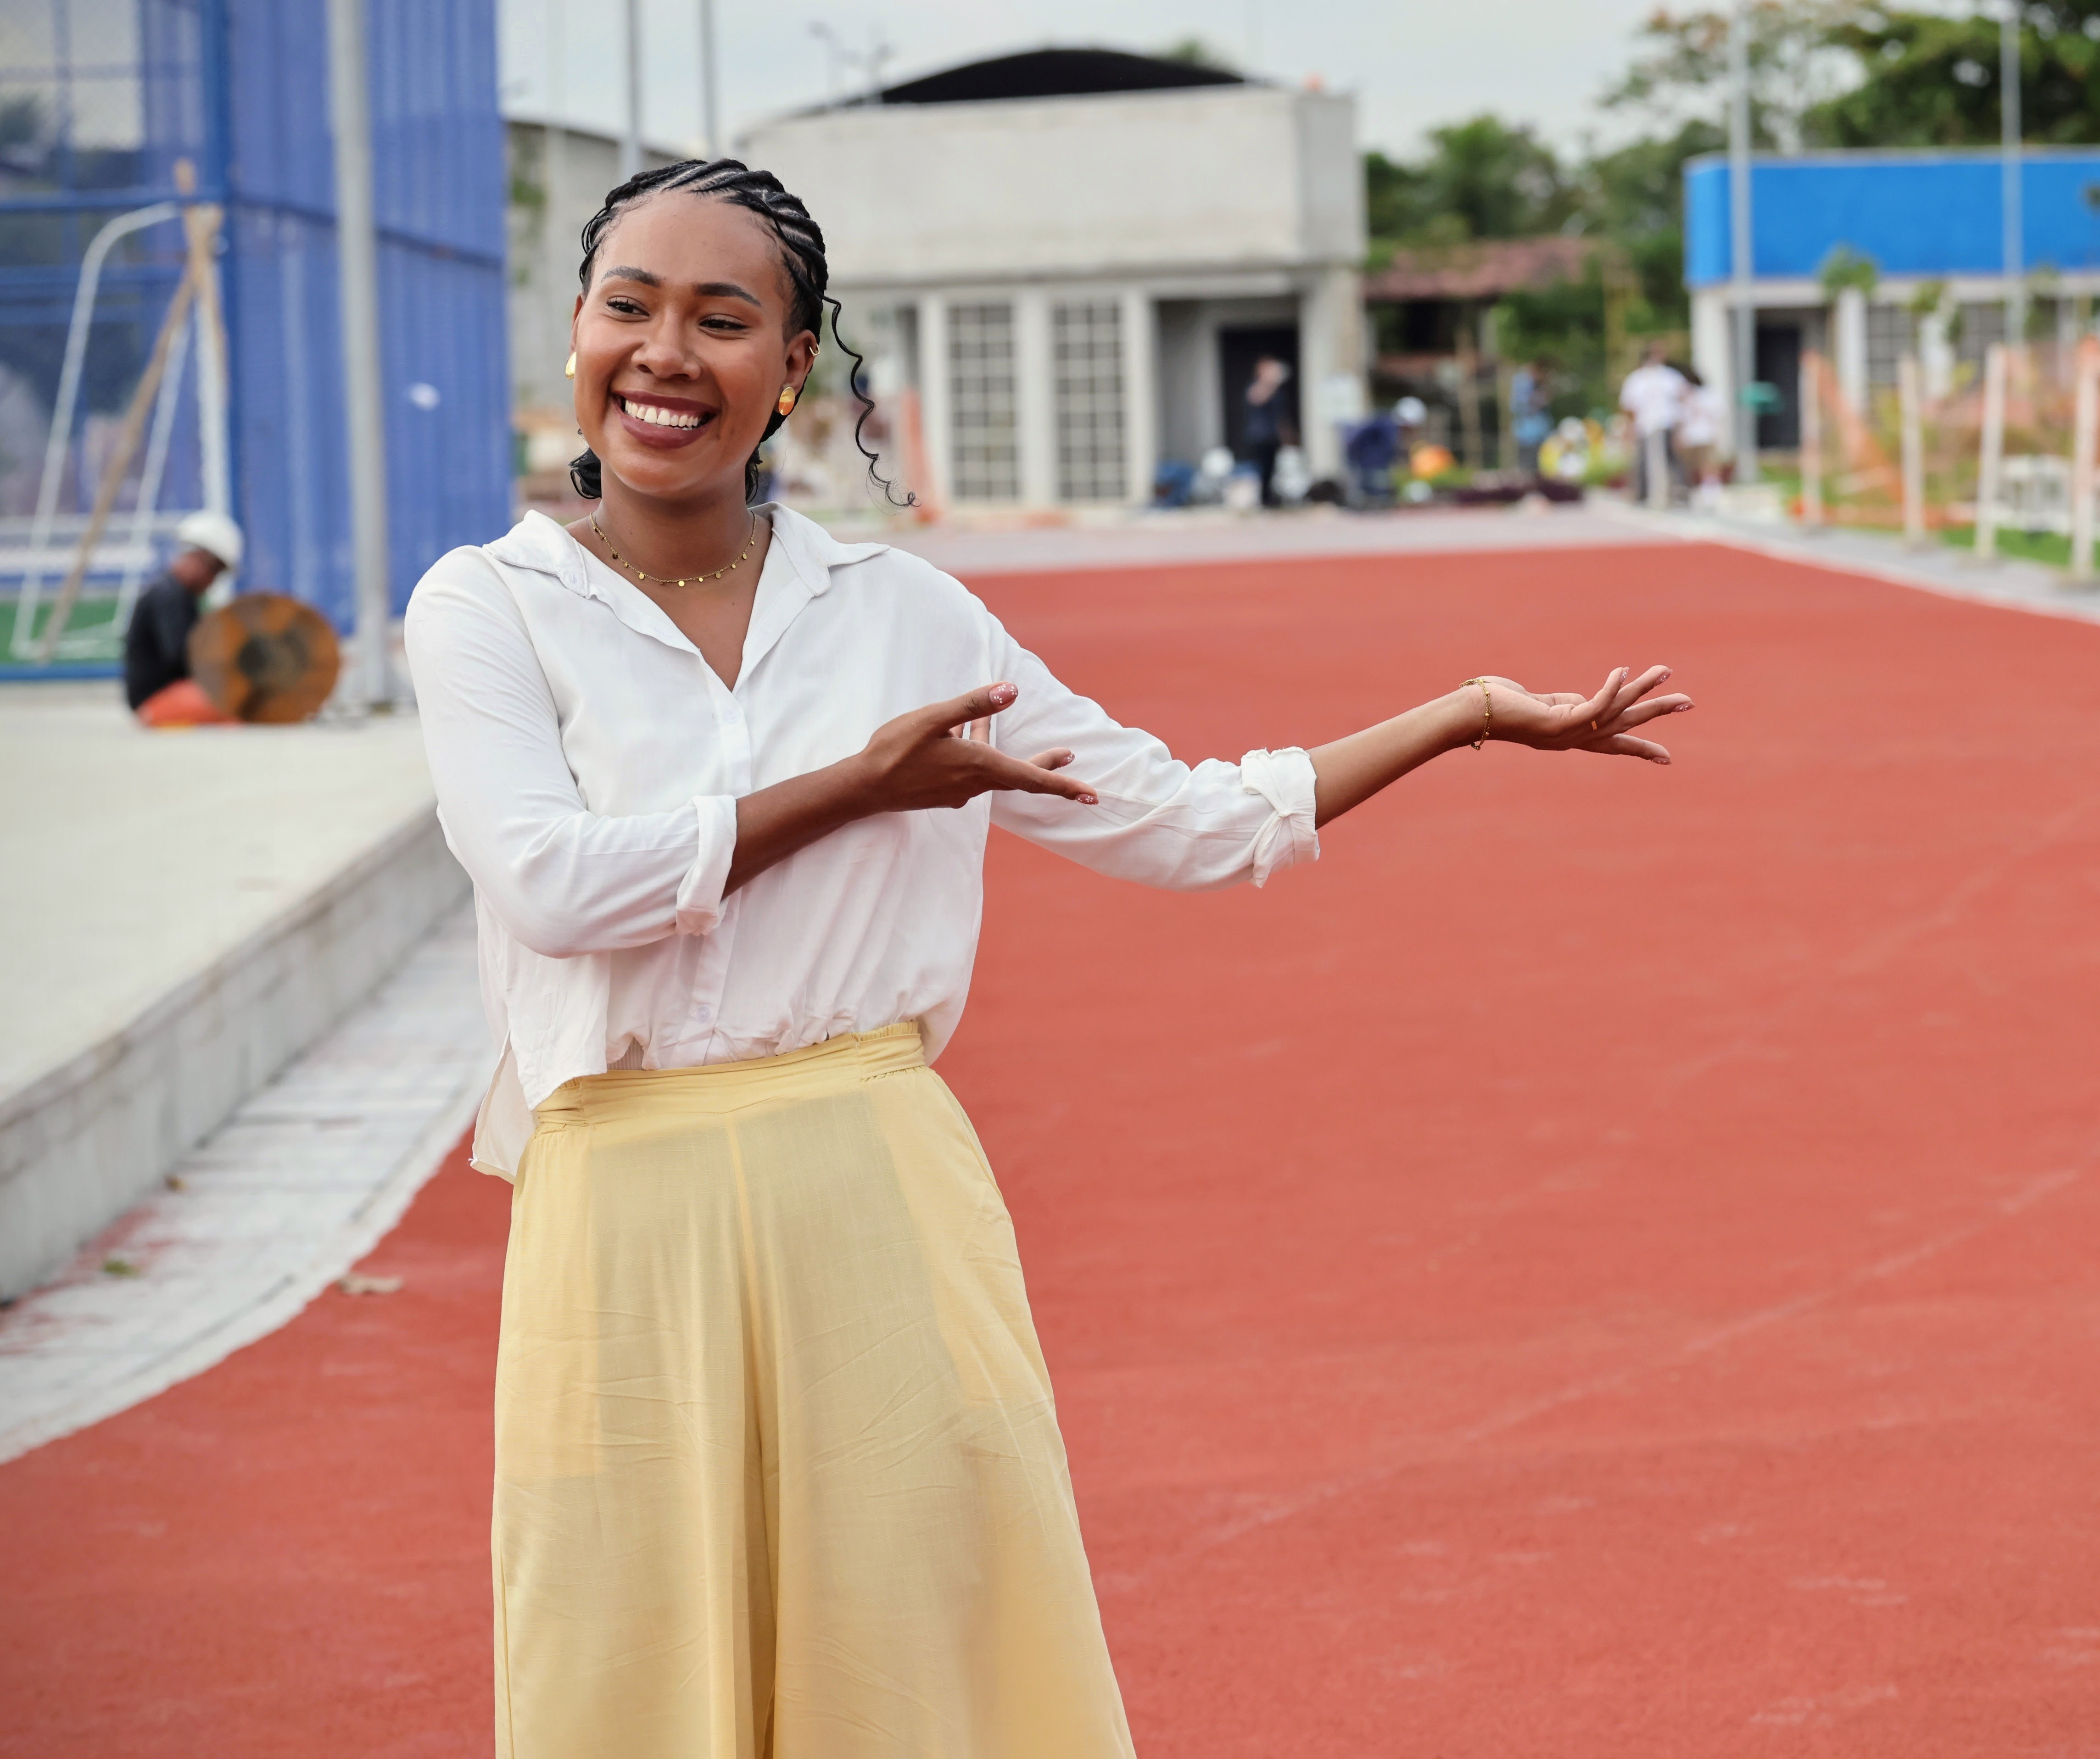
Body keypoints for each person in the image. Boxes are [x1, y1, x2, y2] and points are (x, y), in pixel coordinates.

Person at [403, 158, 1692, 1759]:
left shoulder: (912, 619)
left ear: (794, 365)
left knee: (921, 1663)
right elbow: (548, 883)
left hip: (871, 1186)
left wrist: (1462, 717)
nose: (665, 353)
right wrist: (862, 788)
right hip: (620, 1207)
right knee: (626, 1663)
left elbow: (1188, 823)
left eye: (722, 320)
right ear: (578, 328)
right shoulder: (486, 609)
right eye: (628, 306)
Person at [122, 509, 243, 725]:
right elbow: (182, 657)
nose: (213, 581)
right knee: (237, 704)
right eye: (215, 571)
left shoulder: (178, 595)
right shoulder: (170, 596)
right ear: (201, 559)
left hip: (173, 694)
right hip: (158, 700)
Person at [1617, 342, 1687, 508]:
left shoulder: (1671, 376)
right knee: (1643, 461)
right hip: (1646, 425)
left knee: (1671, 460)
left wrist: (1682, 426)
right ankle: (1643, 494)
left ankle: (1676, 494)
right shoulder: (1637, 379)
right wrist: (1629, 428)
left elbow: (1684, 399)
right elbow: (1629, 406)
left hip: (1666, 423)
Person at [1239, 355, 1296, 507]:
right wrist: (1269, 382)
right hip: (1259, 436)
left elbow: (1281, 417)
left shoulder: (1279, 392)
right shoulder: (1256, 388)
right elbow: (1257, 399)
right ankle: (1262, 499)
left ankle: (1270, 498)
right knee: (1261, 469)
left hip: (1273, 436)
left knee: (1273, 469)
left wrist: (1288, 436)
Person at [1676, 365, 1723, 506]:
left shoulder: (1708, 395)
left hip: (1704, 435)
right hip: (1692, 437)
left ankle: (1710, 495)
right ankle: (1695, 494)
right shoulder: (1686, 398)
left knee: (1708, 466)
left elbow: (1716, 415)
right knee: (1692, 468)